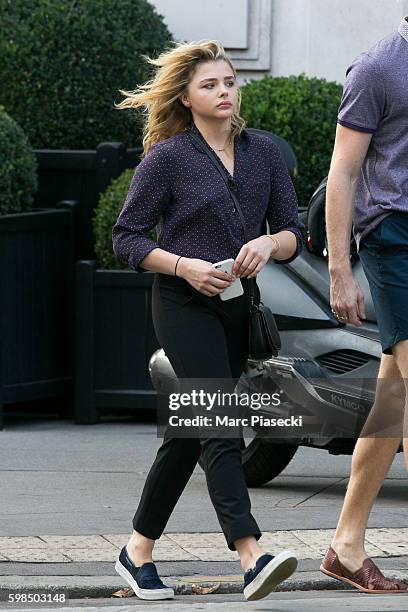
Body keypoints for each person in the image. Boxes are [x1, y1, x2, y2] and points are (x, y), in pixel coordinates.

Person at [111, 39, 303, 602]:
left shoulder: (264, 152)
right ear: (187, 98)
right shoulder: (168, 158)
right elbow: (125, 237)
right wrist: (185, 267)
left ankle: (136, 552)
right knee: (219, 419)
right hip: (182, 303)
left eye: (229, 82)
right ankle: (251, 555)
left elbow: (294, 233)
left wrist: (269, 243)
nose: (224, 92)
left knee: (189, 432)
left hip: (237, 306)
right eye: (209, 85)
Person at [321, 16, 408, 594]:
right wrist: (340, 269)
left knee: (393, 398)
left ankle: (346, 546)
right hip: (395, 239)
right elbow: (344, 170)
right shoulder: (379, 67)